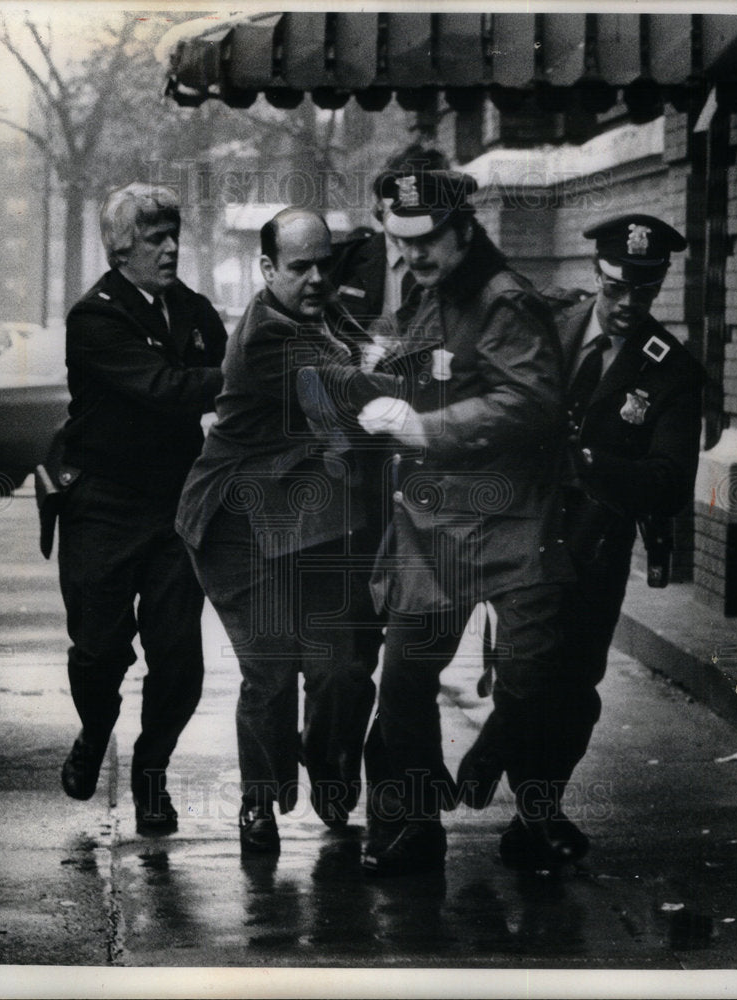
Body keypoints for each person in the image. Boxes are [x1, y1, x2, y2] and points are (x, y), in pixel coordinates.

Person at [338, 168, 575, 876]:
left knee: (532, 682)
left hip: (505, 520)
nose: (414, 254)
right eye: (402, 240)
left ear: (463, 229)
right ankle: (416, 822)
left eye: (428, 239)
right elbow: (434, 365)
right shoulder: (427, 291)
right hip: (436, 527)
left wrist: (424, 427)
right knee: (405, 676)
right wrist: (384, 371)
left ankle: (501, 776)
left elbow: (530, 402)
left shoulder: (503, 299)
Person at [459, 213, 705, 870]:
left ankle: (529, 804)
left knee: (570, 688)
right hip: (517, 533)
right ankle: (525, 788)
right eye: (615, 289)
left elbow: (668, 481)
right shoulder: (548, 325)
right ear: (596, 275)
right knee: (521, 670)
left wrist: (587, 462)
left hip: (591, 549)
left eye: (644, 293)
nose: (627, 306)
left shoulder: (671, 372)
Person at [176, 208, 384, 854]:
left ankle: (325, 766)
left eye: (325, 263)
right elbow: (352, 388)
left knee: (342, 669)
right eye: (299, 267)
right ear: (268, 270)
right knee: (270, 671)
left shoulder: (325, 317)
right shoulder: (271, 334)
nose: (317, 277)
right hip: (238, 522)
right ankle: (258, 803)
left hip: (310, 520)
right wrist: (426, 373)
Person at [56, 183, 227, 835]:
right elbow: (165, 388)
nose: (170, 247)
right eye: (155, 238)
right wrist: (240, 377)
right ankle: (95, 730)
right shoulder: (94, 318)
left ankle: (151, 775)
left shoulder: (191, 308)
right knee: (99, 652)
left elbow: (226, 364)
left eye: (173, 234)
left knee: (179, 656)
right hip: (101, 503)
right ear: (121, 248)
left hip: (173, 506)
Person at [329, 145, 450, 326]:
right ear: (379, 203)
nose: (407, 212)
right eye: (396, 200)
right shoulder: (343, 261)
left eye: (422, 202)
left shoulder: (458, 262)